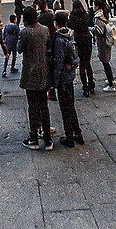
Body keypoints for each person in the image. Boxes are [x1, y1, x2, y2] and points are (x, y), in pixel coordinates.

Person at [50, 8, 86, 147]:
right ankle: (78, 134)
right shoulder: (70, 35)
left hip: (63, 78)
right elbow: (76, 57)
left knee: (65, 108)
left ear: (56, 23)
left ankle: (69, 137)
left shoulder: (59, 39)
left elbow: (58, 62)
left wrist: (54, 81)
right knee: (71, 106)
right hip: (70, 76)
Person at [19, 11, 55, 150]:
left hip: (30, 73)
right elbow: (49, 47)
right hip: (44, 72)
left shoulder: (25, 32)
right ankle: (48, 140)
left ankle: (33, 138)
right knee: (44, 107)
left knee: (32, 106)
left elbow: (19, 49)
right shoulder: (45, 30)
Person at [69, 3, 97, 99]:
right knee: (88, 63)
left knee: (82, 64)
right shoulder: (86, 14)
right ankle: (91, 85)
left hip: (78, 39)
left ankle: (85, 87)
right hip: (87, 38)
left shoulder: (72, 16)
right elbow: (90, 23)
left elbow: (71, 26)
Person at [92, 9, 116, 90]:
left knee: (105, 62)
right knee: (107, 61)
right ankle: (111, 79)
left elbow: (99, 31)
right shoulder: (104, 14)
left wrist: (91, 29)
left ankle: (111, 84)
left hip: (102, 42)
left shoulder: (98, 17)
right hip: (107, 40)